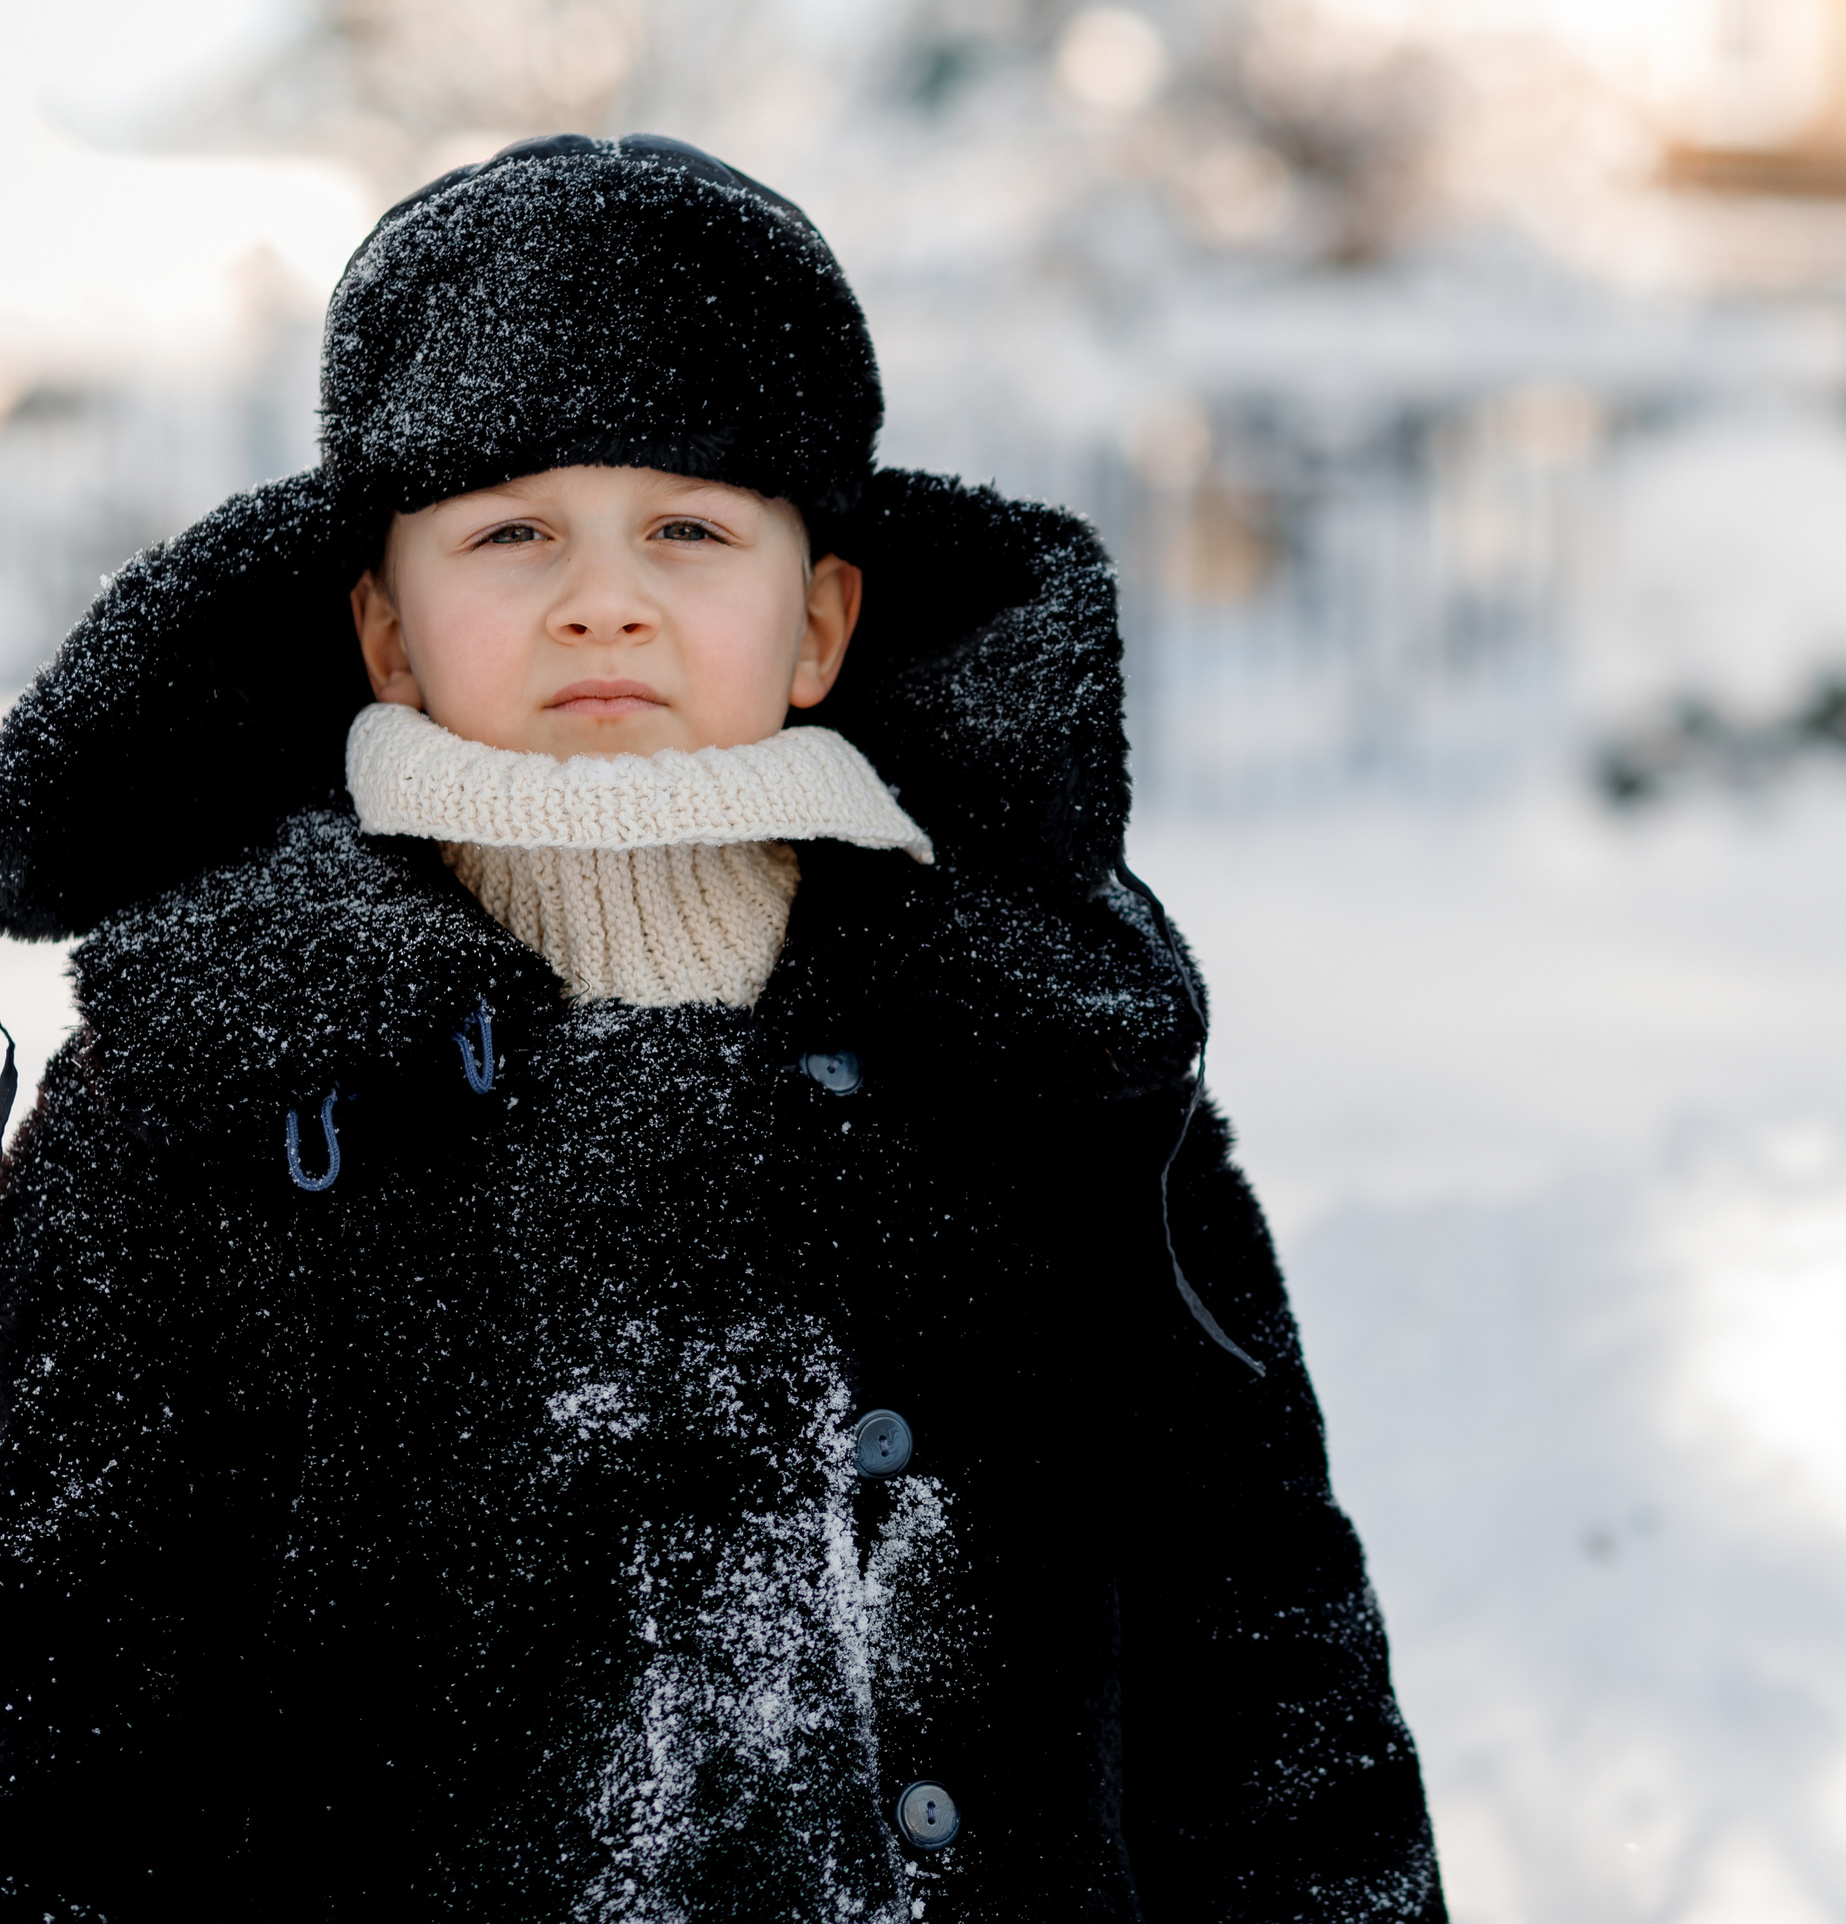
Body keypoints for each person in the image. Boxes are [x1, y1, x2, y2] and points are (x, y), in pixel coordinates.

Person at [0, 133, 1444, 1922]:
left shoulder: (1048, 1058)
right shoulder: (214, 1096)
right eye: (511, 530)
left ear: (823, 617)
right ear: (383, 626)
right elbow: (53, 1744)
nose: (602, 596)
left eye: (690, 527)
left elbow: (1264, 1651)